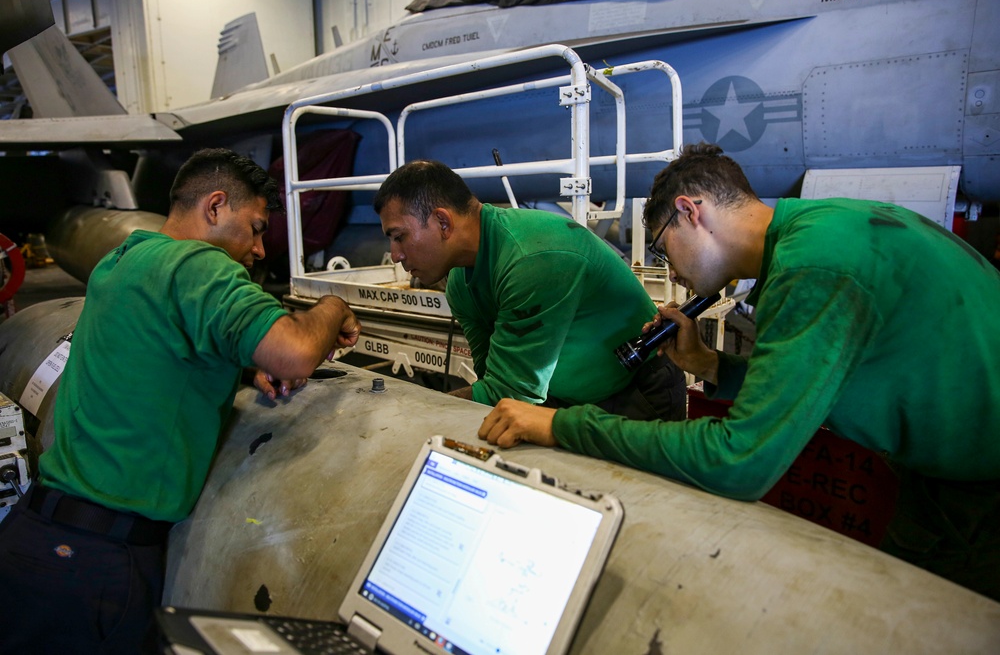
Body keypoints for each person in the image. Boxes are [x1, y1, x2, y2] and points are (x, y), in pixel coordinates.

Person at [478, 142, 1000, 600]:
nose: (672, 272)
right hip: (946, 469)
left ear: (690, 212)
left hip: (981, 483)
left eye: (663, 248)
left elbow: (739, 461)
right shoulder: (819, 229)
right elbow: (813, 384)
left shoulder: (813, 269)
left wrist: (557, 425)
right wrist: (711, 366)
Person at [0, 148, 361, 654]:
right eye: (256, 228)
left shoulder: (124, 260)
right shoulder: (198, 265)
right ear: (215, 206)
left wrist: (239, 362)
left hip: (36, 537)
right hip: (99, 563)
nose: (259, 249)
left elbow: (154, 344)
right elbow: (297, 352)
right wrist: (333, 305)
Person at [373, 159, 686, 420]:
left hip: (636, 392)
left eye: (399, 236)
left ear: (443, 222)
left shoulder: (532, 258)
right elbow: (493, 380)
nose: (396, 254)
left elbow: (508, 392)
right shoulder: (460, 285)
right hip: (563, 402)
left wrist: (418, 417)